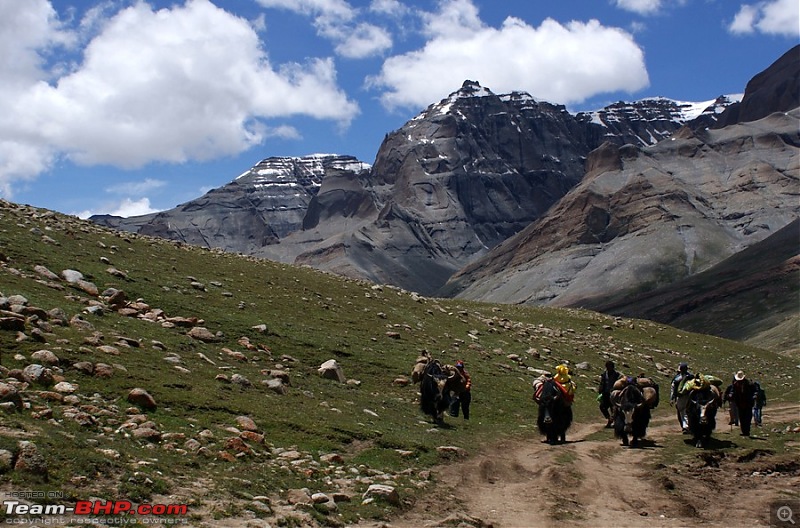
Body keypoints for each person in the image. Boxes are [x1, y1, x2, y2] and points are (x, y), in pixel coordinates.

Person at [731, 370, 756, 436]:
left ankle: (747, 431)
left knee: (747, 418)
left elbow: (755, 390)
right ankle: (744, 431)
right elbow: (732, 391)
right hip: (739, 403)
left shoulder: (749, 383)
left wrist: (754, 395)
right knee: (741, 418)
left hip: (748, 403)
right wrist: (731, 395)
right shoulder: (735, 384)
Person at [669, 362, 692, 432]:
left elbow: (673, 389)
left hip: (681, 397)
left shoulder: (677, 378)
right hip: (691, 396)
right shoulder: (691, 377)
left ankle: (685, 426)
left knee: (682, 411)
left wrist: (672, 398)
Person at [597, 361, 621, 427]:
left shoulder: (617, 375)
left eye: (609, 366)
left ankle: (613, 422)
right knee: (602, 407)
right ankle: (609, 418)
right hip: (605, 394)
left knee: (613, 408)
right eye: (607, 366)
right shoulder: (604, 374)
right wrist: (600, 390)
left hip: (614, 394)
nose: (608, 368)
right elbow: (602, 382)